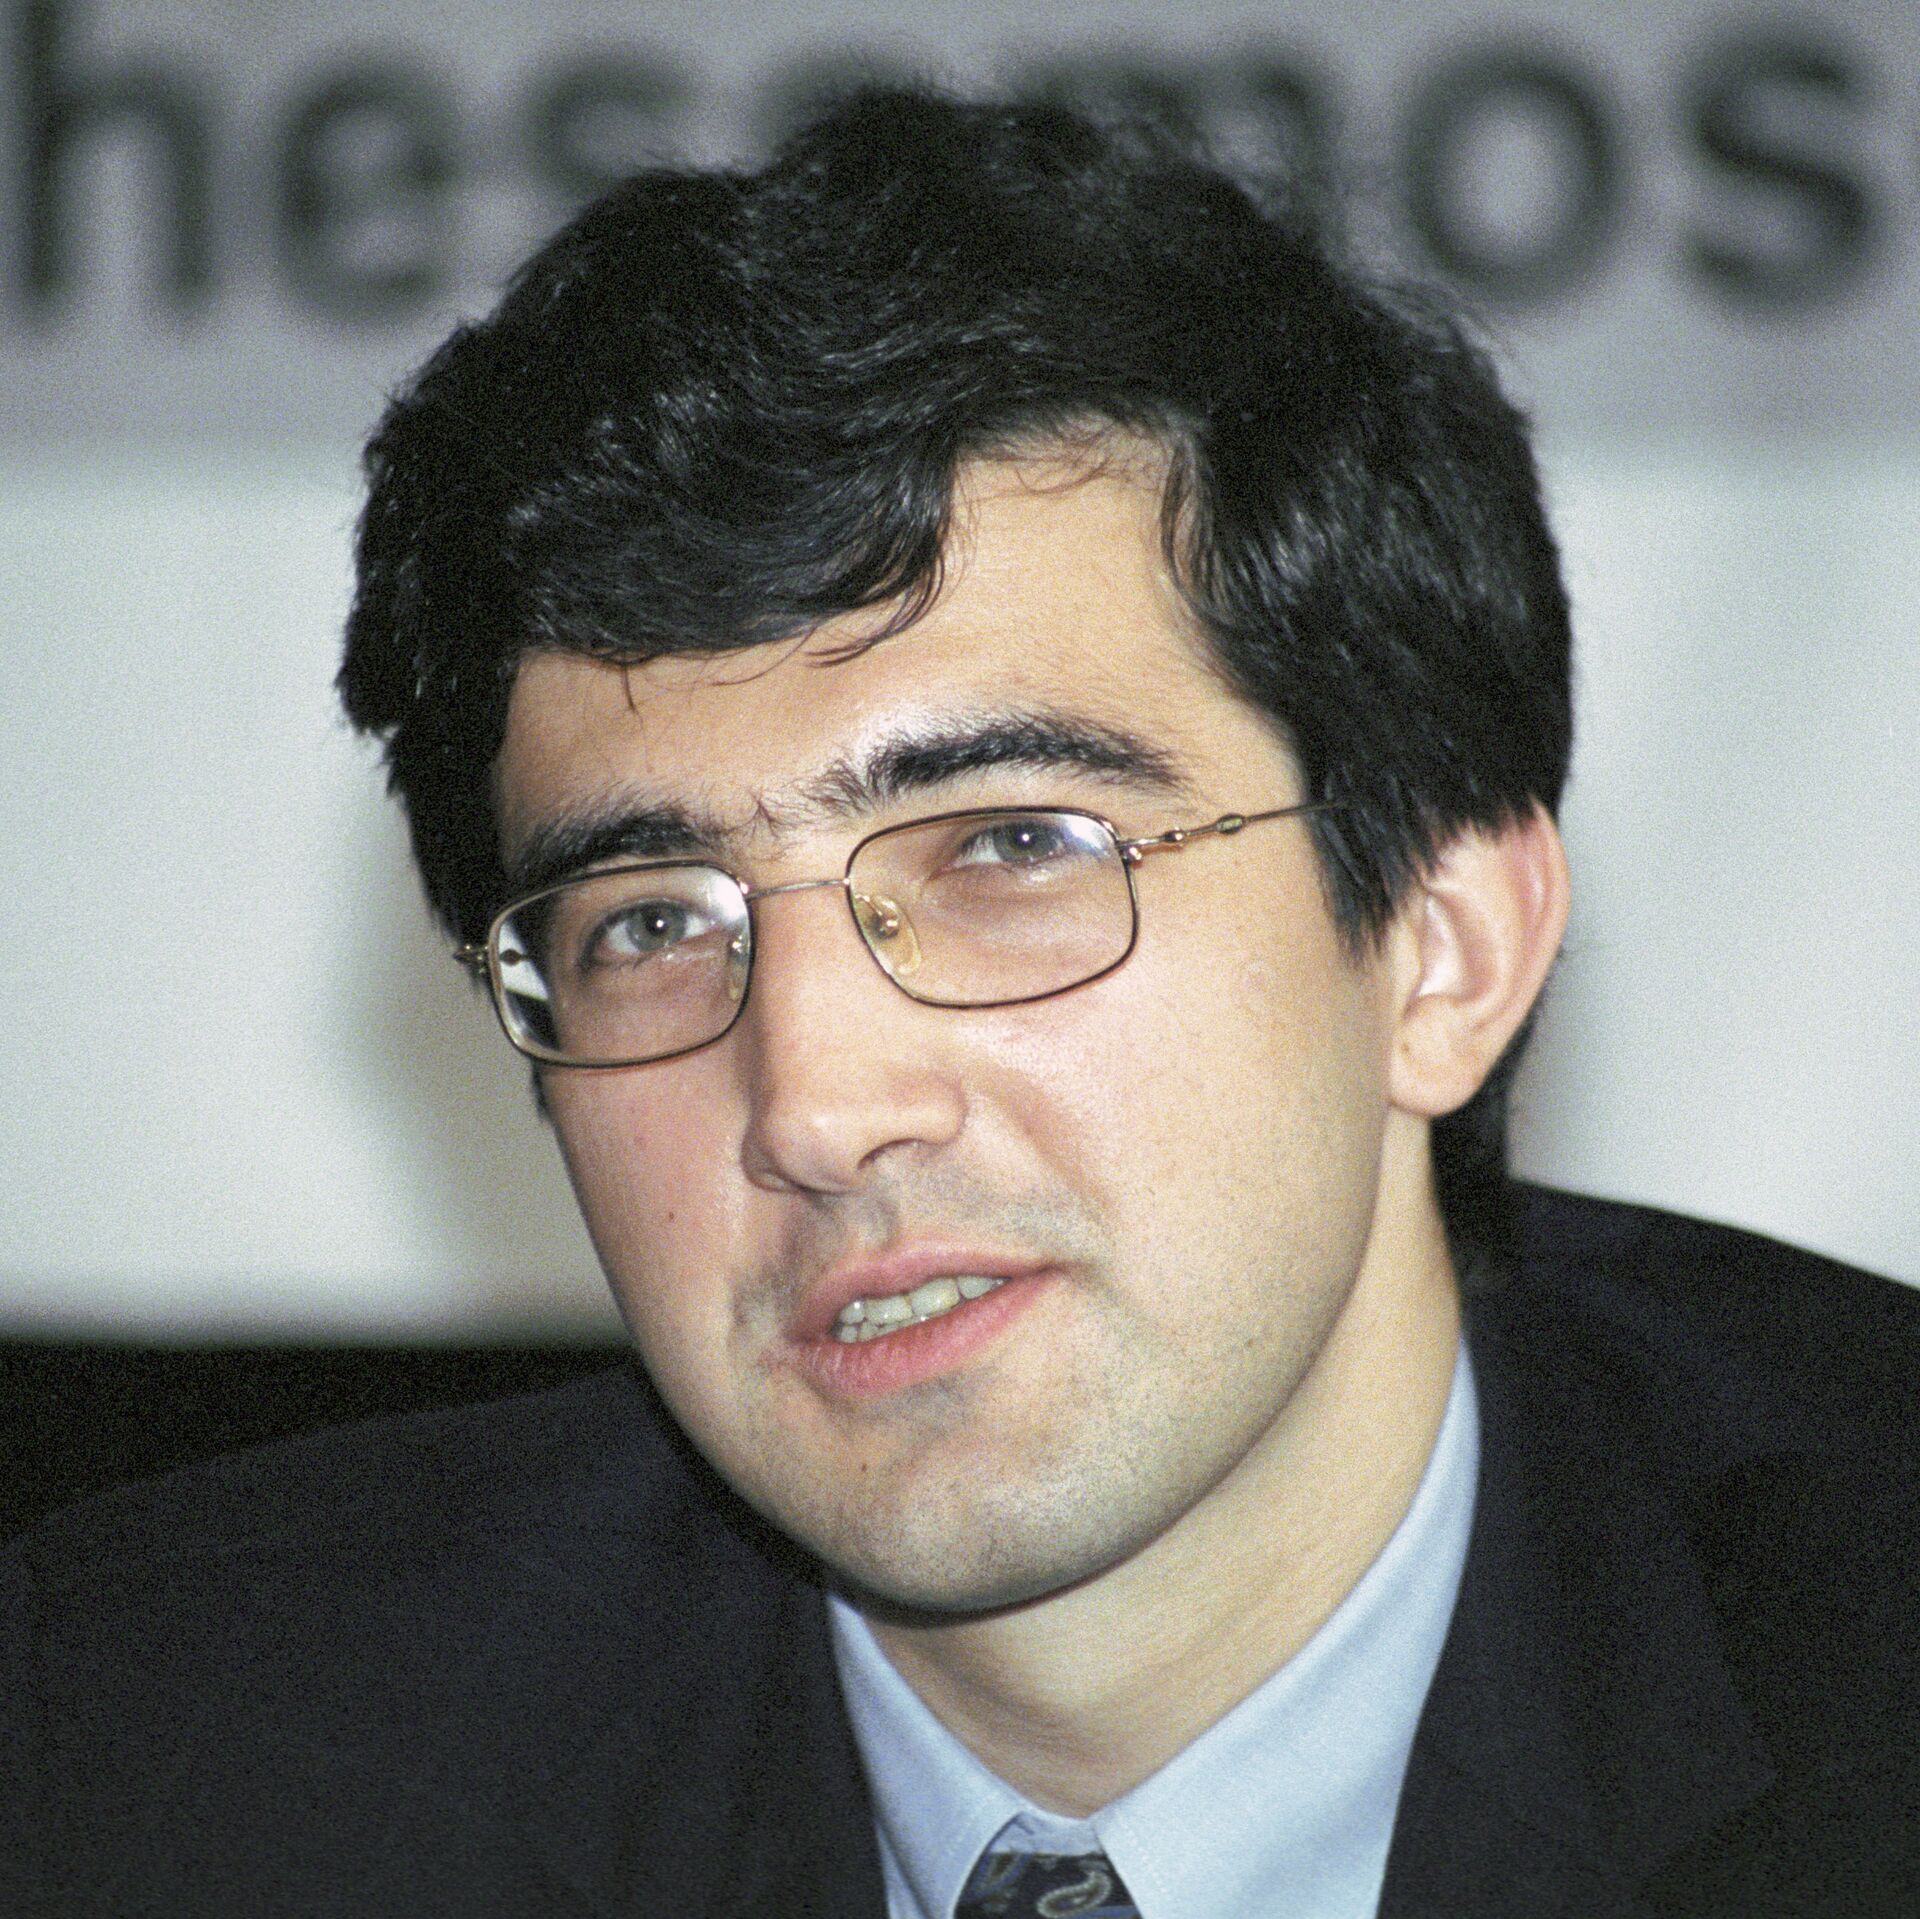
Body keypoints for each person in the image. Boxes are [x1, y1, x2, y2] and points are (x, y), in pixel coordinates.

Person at [4, 87, 1916, 1919]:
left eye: (1011, 847)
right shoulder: (155, 1773)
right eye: (649, 923)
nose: (815, 1105)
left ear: (1445, 946)